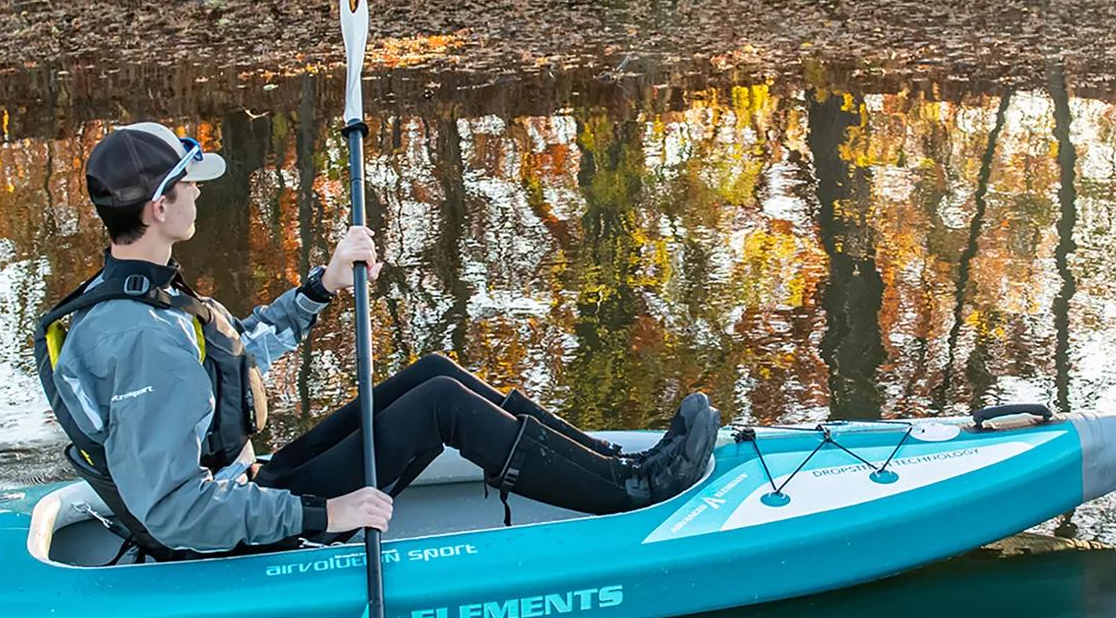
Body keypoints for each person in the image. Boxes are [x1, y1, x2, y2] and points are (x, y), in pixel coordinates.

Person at [35, 121, 719, 559]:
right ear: (158, 208)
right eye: (187, 186)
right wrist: (326, 512)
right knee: (440, 406)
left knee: (432, 374)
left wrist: (320, 288)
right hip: (223, 535)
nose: (198, 196)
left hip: (242, 485)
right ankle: (630, 493)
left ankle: (609, 464)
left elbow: (229, 360)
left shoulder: (132, 297)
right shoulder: (144, 341)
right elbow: (175, 510)